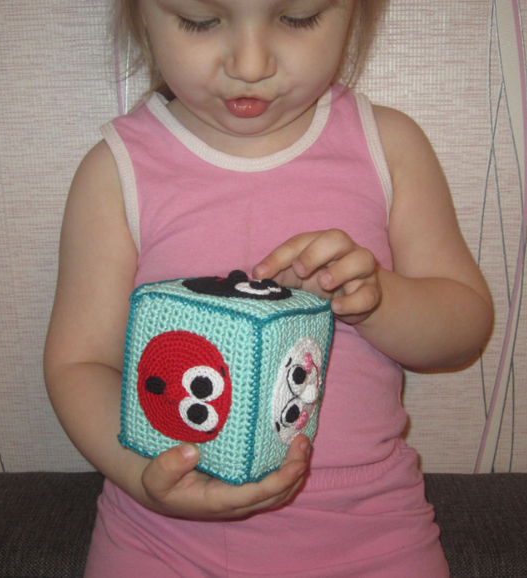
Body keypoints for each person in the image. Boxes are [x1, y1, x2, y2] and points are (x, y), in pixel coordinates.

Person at [44, 0, 494, 575]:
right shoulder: (117, 170)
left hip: (370, 531)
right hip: (163, 540)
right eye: (200, 21)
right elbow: (79, 363)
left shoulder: (389, 146)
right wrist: (148, 477)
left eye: (298, 17)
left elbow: (464, 328)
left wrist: (375, 300)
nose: (250, 64)